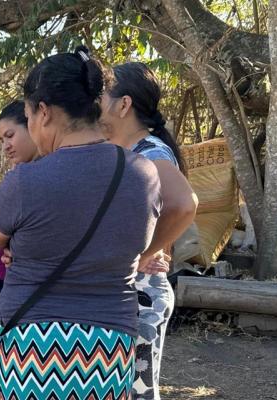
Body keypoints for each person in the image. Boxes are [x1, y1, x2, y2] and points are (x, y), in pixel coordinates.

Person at [0, 46, 161, 399]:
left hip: (33, 345)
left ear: (43, 111)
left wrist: (20, 246)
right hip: (111, 343)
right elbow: (159, 223)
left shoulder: (26, 181)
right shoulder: (143, 173)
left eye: (28, 116)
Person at [101, 62, 198, 400]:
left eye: (101, 95)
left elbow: (184, 205)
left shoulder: (150, 152)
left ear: (123, 104)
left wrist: (145, 253)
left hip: (141, 293)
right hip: (123, 289)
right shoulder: (121, 151)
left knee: (138, 393)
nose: (94, 103)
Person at [0, 100, 39, 293]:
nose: (6, 146)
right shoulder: (17, 172)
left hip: (26, 279)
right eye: (2, 140)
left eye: (10, 136)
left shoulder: (42, 173)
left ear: (32, 126)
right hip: (4, 270)